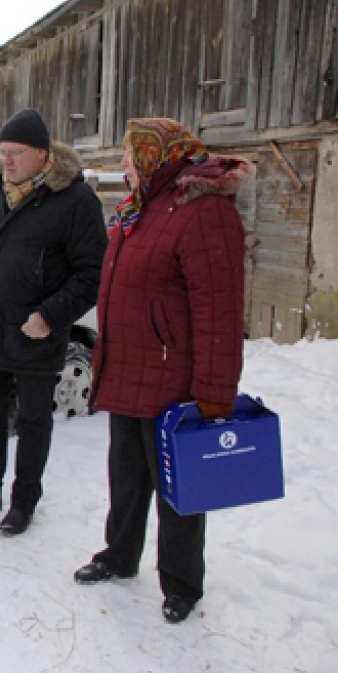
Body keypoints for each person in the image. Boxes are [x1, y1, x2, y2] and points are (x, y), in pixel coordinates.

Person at [73, 118, 253, 623]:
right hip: (129, 369)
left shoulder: (204, 211)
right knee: (126, 477)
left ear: (157, 154)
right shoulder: (141, 208)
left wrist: (216, 392)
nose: (124, 165)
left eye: (131, 155)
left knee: (179, 490)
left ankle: (181, 583)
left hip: (174, 382)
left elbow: (219, 308)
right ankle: (119, 555)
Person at [0, 108, 108, 536]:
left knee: (32, 422)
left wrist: (50, 316)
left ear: (43, 155)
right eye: (3, 152)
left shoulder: (74, 200)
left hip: (35, 331)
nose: (6, 160)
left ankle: (24, 501)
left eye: (15, 153)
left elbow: (92, 273)